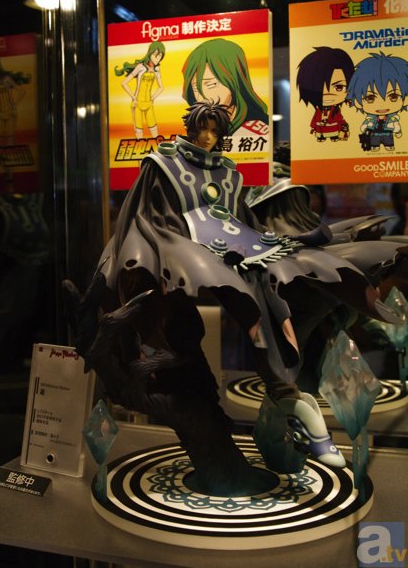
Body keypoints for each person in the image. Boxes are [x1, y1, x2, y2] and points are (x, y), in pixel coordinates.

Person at [64, 102, 402, 496]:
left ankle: (285, 393)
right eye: (203, 129)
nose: (208, 137)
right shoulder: (163, 164)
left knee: (266, 292)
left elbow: (243, 218)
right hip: (173, 246)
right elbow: (145, 214)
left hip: (232, 246)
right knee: (226, 296)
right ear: (192, 128)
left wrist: (264, 241)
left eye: (215, 131)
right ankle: (283, 404)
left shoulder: (227, 171)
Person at [182, 38, 269, 139]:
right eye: (196, 88)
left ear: (235, 80)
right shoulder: (197, 127)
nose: (203, 97)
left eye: (211, 85)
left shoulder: (259, 130)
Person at [347, 52, 408, 152]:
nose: (382, 105)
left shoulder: (393, 118)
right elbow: (365, 126)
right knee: (375, 143)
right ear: (358, 102)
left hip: (388, 135)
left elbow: (396, 126)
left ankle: (388, 146)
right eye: (370, 98)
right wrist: (365, 127)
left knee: (389, 144)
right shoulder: (370, 119)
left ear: (405, 99)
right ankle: (375, 146)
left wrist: (397, 131)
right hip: (374, 135)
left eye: (393, 96)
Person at [296, 46, 354, 142]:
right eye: (318, 87)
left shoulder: (336, 110)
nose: (328, 94)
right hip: (321, 129)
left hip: (333, 128)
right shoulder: (318, 110)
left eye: (339, 87)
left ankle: (334, 137)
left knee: (333, 134)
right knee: (321, 135)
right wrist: (313, 127)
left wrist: (343, 125)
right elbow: (315, 119)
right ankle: (322, 137)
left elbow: (340, 119)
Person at [114, 41, 165, 138]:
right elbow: (124, 83)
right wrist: (133, 97)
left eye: (160, 56)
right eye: (155, 55)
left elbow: (161, 87)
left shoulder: (157, 70)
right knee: (139, 135)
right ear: (150, 53)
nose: (157, 58)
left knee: (155, 134)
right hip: (137, 104)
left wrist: (153, 98)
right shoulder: (141, 67)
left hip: (149, 104)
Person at [0, 57, 31, 146]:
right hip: (0, 113)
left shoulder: (6, 78)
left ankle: (10, 154)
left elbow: (22, 90)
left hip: (11, 112)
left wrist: (15, 103)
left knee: (10, 137)